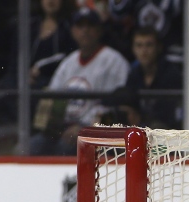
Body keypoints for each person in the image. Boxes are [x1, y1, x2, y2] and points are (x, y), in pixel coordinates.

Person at [30, 7, 129, 155]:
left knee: (65, 148)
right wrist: (53, 126)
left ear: (99, 30)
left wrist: (86, 130)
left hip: (94, 134)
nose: (85, 31)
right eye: (80, 26)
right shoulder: (68, 63)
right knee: (33, 145)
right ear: (73, 31)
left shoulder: (114, 62)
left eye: (90, 26)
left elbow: (118, 110)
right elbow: (52, 99)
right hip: (63, 130)